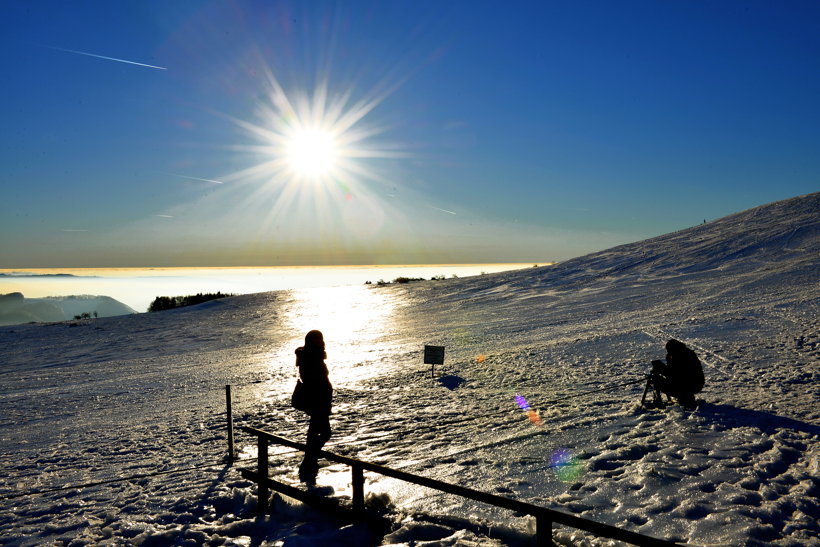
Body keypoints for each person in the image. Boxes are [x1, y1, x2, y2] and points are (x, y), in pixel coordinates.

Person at [294, 330, 333, 484]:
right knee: (324, 433)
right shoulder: (310, 356)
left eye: (320, 338)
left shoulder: (315, 355)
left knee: (315, 432)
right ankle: (309, 460)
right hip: (318, 401)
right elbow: (312, 380)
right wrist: (321, 396)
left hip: (321, 401)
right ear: (310, 341)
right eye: (316, 339)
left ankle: (309, 461)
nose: (319, 341)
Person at [650, 339, 705, 409]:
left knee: (658, 381)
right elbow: (673, 373)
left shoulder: (682, 355)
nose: (668, 353)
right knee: (658, 379)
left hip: (690, 384)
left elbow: (675, 374)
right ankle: (685, 398)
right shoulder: (679, 354)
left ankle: (685, 399)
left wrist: (661, 368)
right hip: (691, 383)